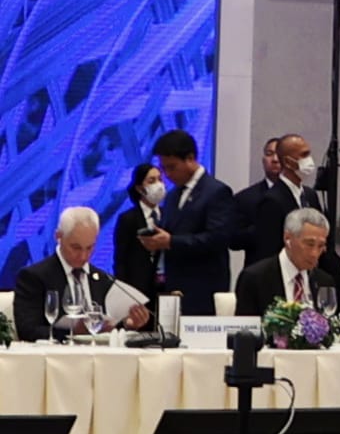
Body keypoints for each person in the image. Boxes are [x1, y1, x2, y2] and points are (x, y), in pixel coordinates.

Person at [141, 129, 243, 322]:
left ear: (190, 158)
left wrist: (171, 242)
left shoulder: (217, 192)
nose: (168, 174)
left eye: (172, 167)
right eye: (164, 168)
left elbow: (217, 239)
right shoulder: (172, 196)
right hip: (173, 287)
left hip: (203, 288)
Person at [12, 206, 149, 337]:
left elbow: (105, 329)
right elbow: (28, 331)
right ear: (59, 237)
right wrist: (72, 333)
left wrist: (128, 325)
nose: (83, 256)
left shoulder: (103, 279)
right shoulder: (34, 277)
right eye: (76, 247)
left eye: (89, 248)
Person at [231, 208, 340, 317]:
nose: (314, 253)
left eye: (320, 246)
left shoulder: (324, 281)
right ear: (288, 239)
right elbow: (246, 333)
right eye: (309, 244)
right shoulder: (254, 278)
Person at [239, 133, 313, 263]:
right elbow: (235, 240)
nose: (274, 160)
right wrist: (262, 226)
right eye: (269, 154)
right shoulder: (249, 198)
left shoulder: (309, 195)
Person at [112, 160, 169, 302]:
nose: (158, 185)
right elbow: (121, 259)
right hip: (137, 289)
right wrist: (124, 292)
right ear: (139, 188)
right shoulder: (127, 219)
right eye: (152, 180)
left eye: (160, 179)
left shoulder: (169, 215)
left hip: (165, 288)